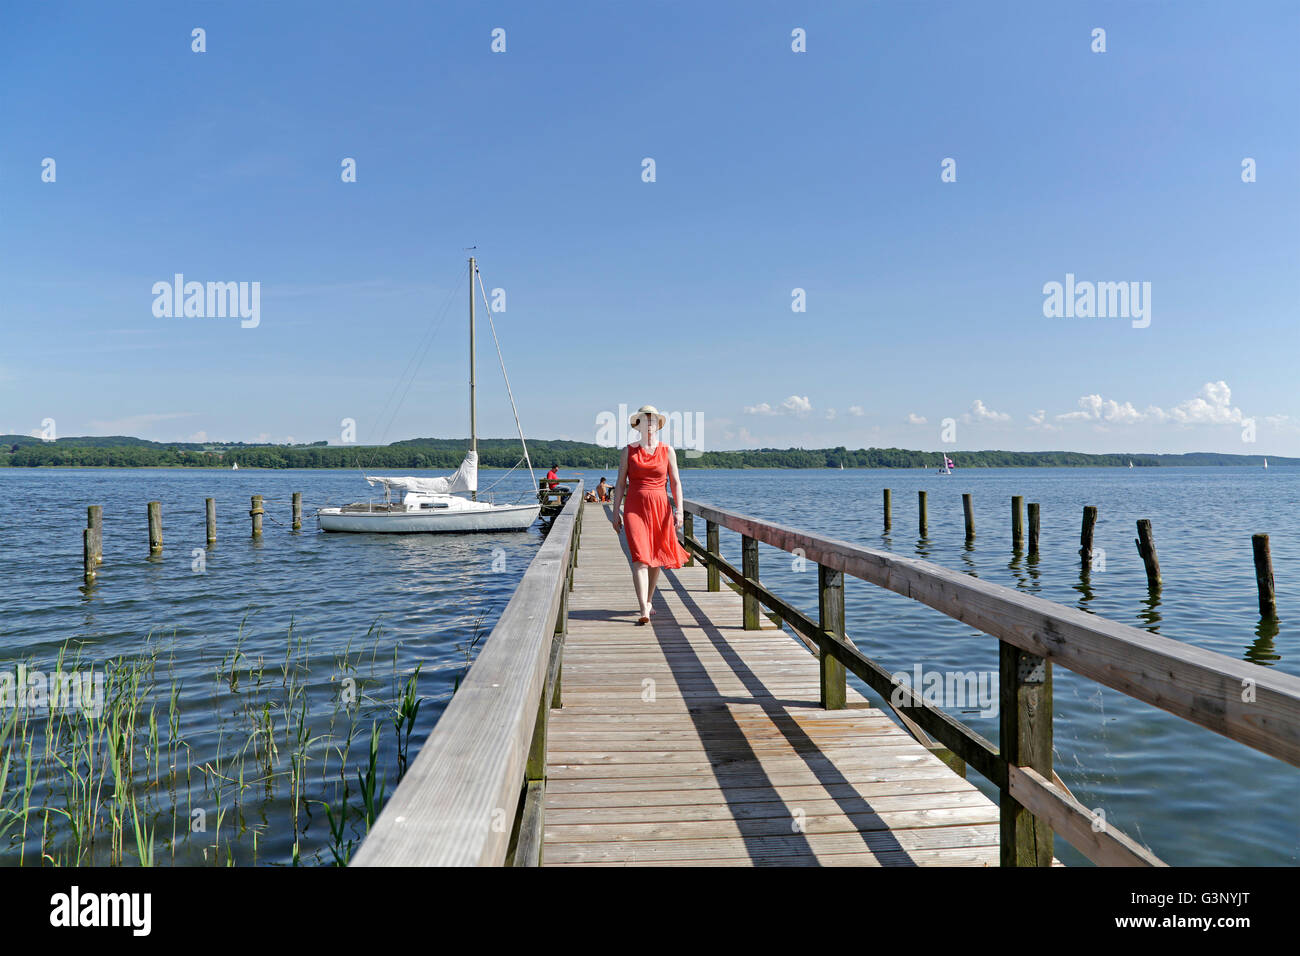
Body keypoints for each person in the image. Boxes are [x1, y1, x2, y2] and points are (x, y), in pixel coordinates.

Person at [611, 405, 687, 625]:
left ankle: (650, 599)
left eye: (653, 421)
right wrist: (616, 512)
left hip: (660, 508)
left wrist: (679, 509)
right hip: (634, 508)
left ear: (657, 425)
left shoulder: (667, 450)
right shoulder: (628, 451)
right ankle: (643, 607)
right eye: (645, 421)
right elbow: (619, 483)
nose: (649, 424)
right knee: (641, 559)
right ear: (638, 425)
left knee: (655, 560)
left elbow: (675, 482)